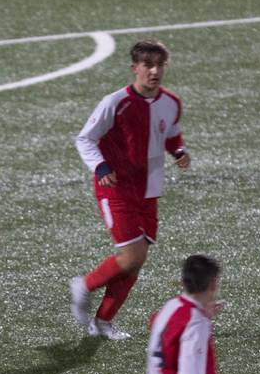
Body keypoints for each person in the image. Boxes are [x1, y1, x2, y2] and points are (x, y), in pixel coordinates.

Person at [70, 40, 191, 340]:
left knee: (135, 262)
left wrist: (178, 151)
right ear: (135, 68)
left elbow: (171, 133)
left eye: (160, 65)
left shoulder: (171, 102)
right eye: (148, 65)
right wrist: (101, 166)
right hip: (115, 188)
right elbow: (85, 138)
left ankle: (103, 322)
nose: (154, 72)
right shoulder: (115, 102)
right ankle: (85, 285)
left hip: (149, 190)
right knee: (130, 257)